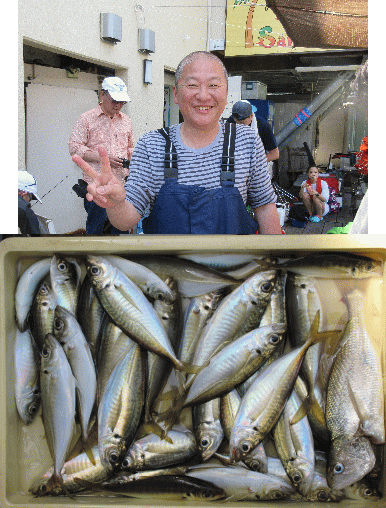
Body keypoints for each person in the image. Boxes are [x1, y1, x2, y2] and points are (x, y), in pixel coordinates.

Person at [72, 51, 281, 235]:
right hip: (168, 276)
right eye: (192, 85)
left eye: (214, 85)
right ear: (176, 94)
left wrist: (276, 264)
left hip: (234, 275)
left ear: (226, 95)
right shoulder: (151, 145)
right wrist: (116, 204)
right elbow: (126, 218)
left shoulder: (247, 140)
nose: (203, 95)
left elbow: (264, 207)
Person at [68, 76, 135, 234]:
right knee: (97, 233)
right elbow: (74, 147)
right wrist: (101, 158)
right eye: (114, 101)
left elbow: (130, 147)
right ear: (102, 95)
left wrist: (132, 162)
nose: (118, 106)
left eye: (122, 102)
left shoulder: (126, 120)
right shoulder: (86, 119)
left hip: (121, 187)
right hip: (96, 187)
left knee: (121, 231)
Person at [18, 171, 42, 235]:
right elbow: (35, 241)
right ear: (24, 194)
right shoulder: (23, 210)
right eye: (30, 198)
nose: (28, 202)